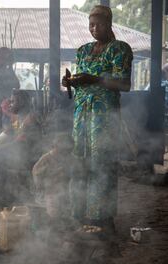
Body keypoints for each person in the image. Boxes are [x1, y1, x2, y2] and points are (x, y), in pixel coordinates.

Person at [61, 5, 133, 234]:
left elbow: (124, 84)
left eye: (99, 24)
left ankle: (102, 217)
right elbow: (78, 79)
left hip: (103, 115)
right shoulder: (83, 50)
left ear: (109, 23)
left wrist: (93, 78)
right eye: (91, 24)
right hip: (81, 114)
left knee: (102, 162)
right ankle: (79, 213)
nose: (94, 28)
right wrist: (70, 83)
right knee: (80, 160)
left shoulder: (119, 49)